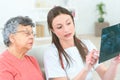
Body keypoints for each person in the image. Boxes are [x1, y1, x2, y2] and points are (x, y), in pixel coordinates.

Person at [43, 6, 120, 80]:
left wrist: (114, 63)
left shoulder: (87, 44)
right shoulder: (51, 53)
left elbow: (106, 78)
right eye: (59, 27)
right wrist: (86, 69)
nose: (66, 29)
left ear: (73, 22)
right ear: (53, 30)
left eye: (68, 23)